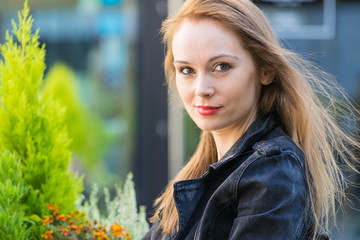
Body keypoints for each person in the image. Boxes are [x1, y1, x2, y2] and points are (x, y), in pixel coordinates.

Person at [142, 0, 360, 239]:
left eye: (221, 66)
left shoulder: (274, 171)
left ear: (265, 70)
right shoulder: (204, 171)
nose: (201, 89)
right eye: (186, 70)